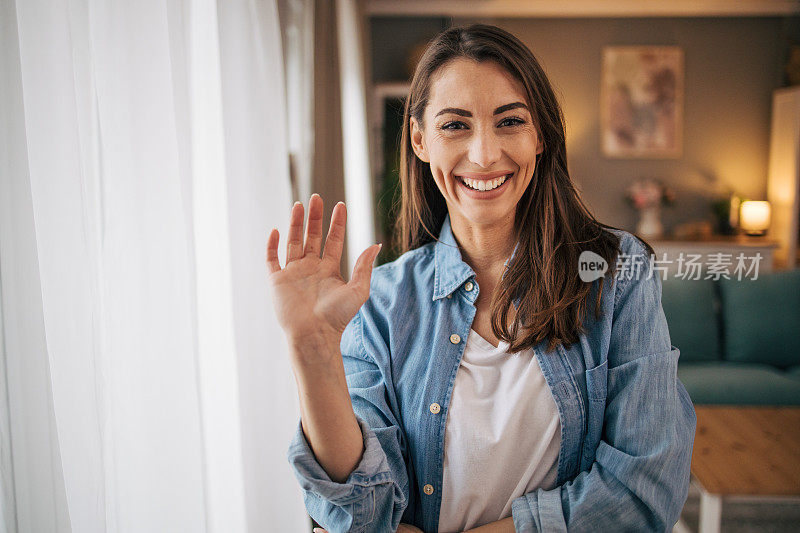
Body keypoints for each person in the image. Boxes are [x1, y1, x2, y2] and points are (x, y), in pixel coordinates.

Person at [267, 24, 696, 533]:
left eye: (509, 121)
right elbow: (364, 515)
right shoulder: (379, 305)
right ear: (420, 139)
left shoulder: (616, 272)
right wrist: (313, 354)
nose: (485, 154)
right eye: (455, 126)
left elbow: (644, 492)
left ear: (540, 136)